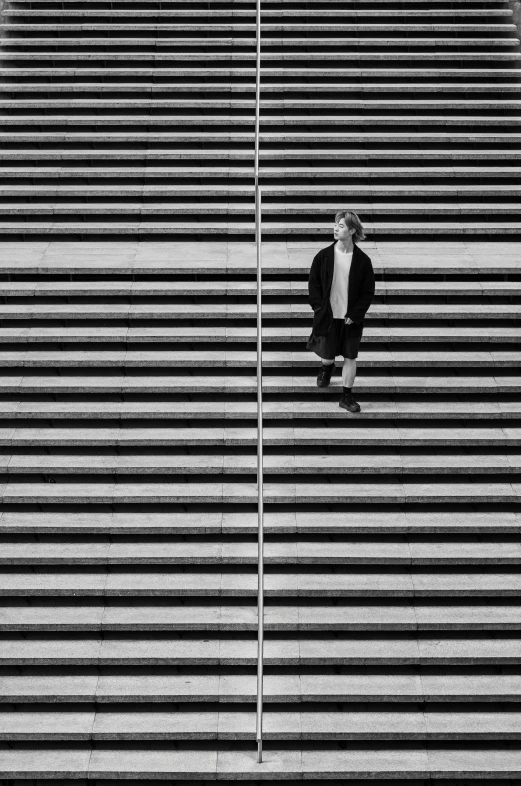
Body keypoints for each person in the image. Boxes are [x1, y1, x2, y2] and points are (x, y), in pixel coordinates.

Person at [306, 210, 375, 413]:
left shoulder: (363, 261)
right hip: (328, 316)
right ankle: (327, 367)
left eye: (341, 225)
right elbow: (314, 285)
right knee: (328, 356)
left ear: (352, 230)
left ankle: (346, 395)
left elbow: (367, 292)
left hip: (350, 319)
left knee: (350, 356)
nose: (336, 228)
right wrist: (319, 308)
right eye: (335, 224)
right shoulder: (323, 256)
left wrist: (355, 314)